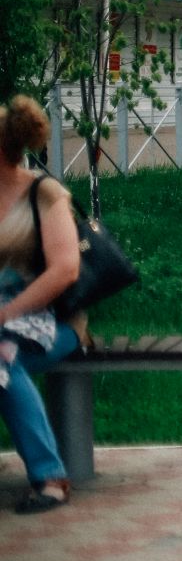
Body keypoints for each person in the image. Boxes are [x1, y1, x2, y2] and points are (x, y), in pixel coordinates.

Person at [0, 96, 82, 514]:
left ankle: (51, 478)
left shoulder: (43, 192)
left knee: (1, 360)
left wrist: (5, 314)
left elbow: (65, 270)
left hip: (52, 324)